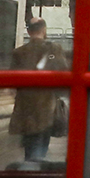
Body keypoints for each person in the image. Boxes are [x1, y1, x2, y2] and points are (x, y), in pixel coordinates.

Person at [10, 18, 70, 162]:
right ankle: (36, 177)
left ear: (29, 31)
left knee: (30, 143)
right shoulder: (54, 49)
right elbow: (63, 74)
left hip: (25, 106)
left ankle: (31, 173)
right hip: (46, 104)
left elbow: (13, 79)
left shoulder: (18, 52)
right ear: (44, 30)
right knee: (41, 141)